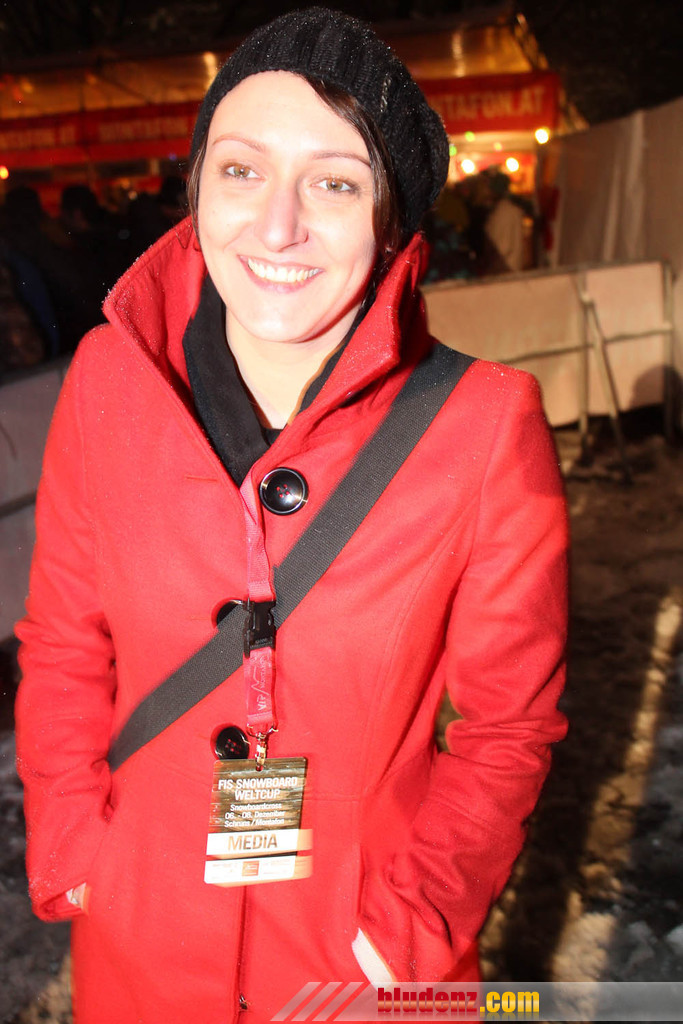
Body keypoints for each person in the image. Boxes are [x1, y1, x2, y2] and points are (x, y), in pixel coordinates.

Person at [15, 9, 569, 1023]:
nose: (276, 227)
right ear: (195, 188)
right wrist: (72, 842)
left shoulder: (484, 424)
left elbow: (507, 726)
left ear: (392, 221)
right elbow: (62, 642)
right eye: (240, 169)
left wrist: (408, 927)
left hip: (363, 961)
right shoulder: (108, 377)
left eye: (335, 182)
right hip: (140, 946)